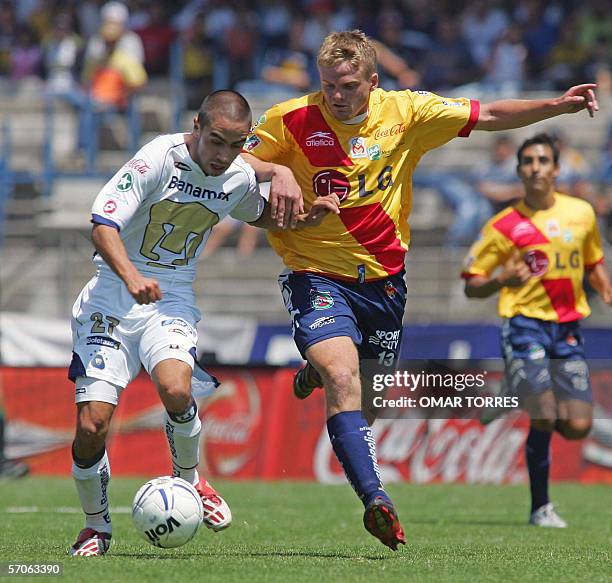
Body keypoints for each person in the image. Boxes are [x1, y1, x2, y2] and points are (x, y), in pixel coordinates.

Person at [240, 29, 599, 550]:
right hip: (314, 271)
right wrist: (275, 170)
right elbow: (230, 154)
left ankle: (316, 363)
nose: (335, 96)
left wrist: (554, 106)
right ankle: (376, 501)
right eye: (327, 86)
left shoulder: (406, 113)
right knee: (344, 376)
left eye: (346, 86)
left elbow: (490, 115)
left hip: (384, 282)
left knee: (369, 405)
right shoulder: (290, 118)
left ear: (372, 81)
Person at [67, 89, 338, 557]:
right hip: (112, 296)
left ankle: (190, 479)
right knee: (92, 426)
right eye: (216, 142)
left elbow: (263, 217)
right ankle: (96, 526)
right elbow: (101, 225)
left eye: (237, 146)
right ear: (197, 126)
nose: (224, 155)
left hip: (170, 298)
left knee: (176, 390)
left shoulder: (235, 177)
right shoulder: (159, 158)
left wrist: (307, 220)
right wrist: (131, 278)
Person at [462, 133, 612, 527]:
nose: (535, 168)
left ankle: (512, 393)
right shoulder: (503, 225)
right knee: (543, 414)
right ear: (519, 171)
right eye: (528, 161)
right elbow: (470, 283)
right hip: (523, 324)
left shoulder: (581, 213)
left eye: (543, 161)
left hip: (567, 328)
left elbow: (594, 259)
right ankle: (540, 507)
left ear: (557, 169)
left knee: (578, 427)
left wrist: (604, 286)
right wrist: (500, 281)